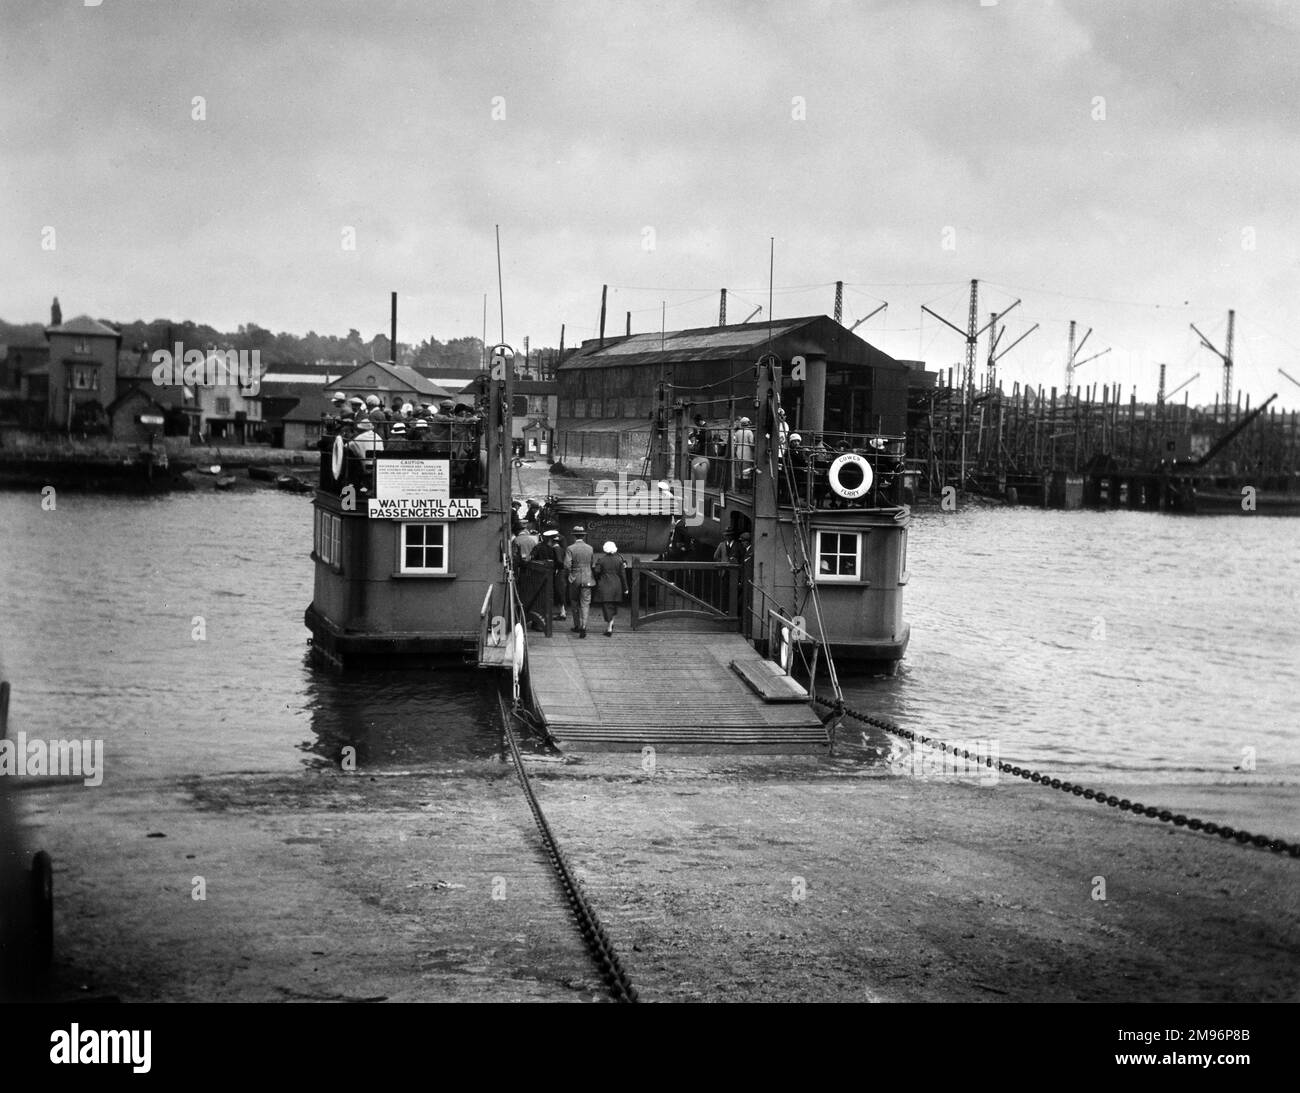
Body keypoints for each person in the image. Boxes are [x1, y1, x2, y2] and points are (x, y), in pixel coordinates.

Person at [591, 541, 630, 637]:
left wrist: (599, 576)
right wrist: (626, 588)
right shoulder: (619, 560)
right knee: (613, 606)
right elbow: (623, 576)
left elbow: (596, 571)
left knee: (606, 607)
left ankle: (609, 628)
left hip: (605, 586)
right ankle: (610, 624)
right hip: (617, 586)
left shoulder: (601, 560)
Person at [564, 525, 596, 637]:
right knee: (585, 603)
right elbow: (592, 564)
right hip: (588, 578)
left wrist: (571, 574)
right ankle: (584, 626)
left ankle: (577, 625)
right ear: (583, 536)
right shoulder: (590, 548)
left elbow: (567, 565)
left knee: (574, 602)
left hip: (574, 578)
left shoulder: (570, 548)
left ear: (574, 536)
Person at [539, 529, 568, 621]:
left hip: (559, 572)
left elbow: (559, 561)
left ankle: (562, 612)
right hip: (561, 572)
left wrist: (556, 568)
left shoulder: (556, 548)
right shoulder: (561, 548)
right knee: (560, 592)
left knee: (559, 592)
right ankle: (562, 611)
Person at [731, 417, 755, 484]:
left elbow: (735, 443)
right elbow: (751, 443)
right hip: (747, 453)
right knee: (747, 469)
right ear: (748, 423)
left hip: (739, 453)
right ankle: (746, 485)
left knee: (739, 469)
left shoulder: (737, 432)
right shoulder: (749, 432)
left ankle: (739, 484)